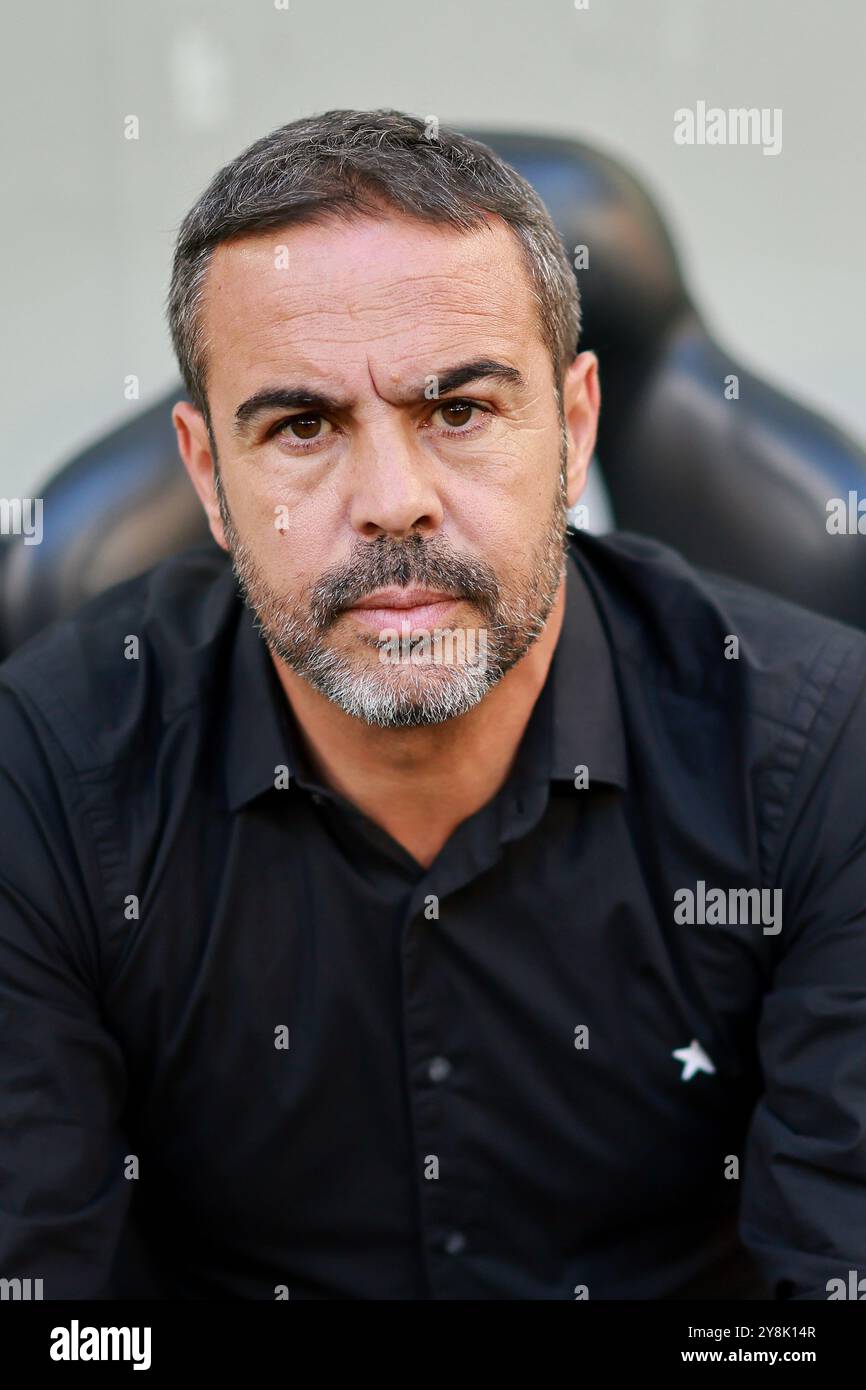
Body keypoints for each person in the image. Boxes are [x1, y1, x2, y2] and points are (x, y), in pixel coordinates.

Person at [1, 108, 864, 1301]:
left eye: (458, 411)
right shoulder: (43, 774)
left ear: (572, 425)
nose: (392, 501)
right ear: (207, 473)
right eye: (302, 425)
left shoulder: (823, 753)